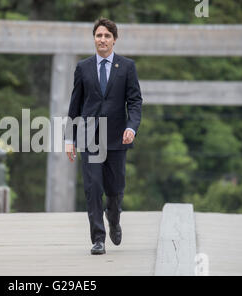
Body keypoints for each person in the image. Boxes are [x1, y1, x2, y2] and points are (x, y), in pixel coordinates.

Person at [65, 18, 143, 255]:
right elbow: (75, 104)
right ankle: (98, 238)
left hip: (117, 138)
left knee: (115, 188)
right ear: (94, 39)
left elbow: (135, 101)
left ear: (114, 40)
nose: (102, 40)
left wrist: (132, 127)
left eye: (107, 36)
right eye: (99, 35)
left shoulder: (127, 67)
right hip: (89, 138)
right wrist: (70, 139)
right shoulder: (83, 67)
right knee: (93, 187)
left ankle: (114, 219)